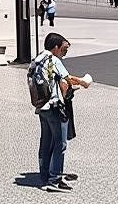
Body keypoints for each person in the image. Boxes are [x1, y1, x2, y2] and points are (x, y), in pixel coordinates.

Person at [30, 32, 90, 193]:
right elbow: (66, 79)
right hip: (55, 107)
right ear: (55, 47)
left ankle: (45, 174)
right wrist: (83, 82)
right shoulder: (53, 60)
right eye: (64, 49)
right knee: (60, 143)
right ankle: (54, 179)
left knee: (46, 141)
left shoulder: (37, 59)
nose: (64, 53)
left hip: (42, 107)